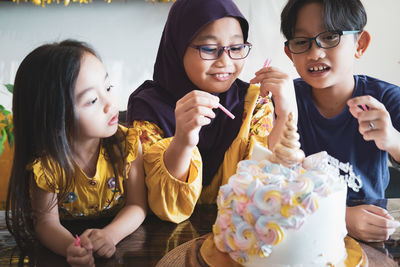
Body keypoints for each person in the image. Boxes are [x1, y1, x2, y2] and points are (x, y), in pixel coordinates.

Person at [127, 0, 296, 224]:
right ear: (177, 47)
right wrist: (183, 142)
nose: (225, 61)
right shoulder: (149, 108)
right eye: (209, 49)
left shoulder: (253, 103)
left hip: (241, 233)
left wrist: (285, 113)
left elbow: (270, 190)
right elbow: (160, 206)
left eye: (236, 48)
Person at [253, 0, 400, 242]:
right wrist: (340, 217)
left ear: (359, 44)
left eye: (331, 37)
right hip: (297, 234)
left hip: (371, 234)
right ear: (290, 52)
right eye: (302, 42)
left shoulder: (386, 98)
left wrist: (393, 140)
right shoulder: (282, 101)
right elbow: (266, 186)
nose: (315, 53)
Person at [6, 40, 147, 266]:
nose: (110, 104)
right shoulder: (46, 164)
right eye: (92, 100)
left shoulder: (127, 144)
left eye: (108, 87)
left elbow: (137, 206)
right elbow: (45, 223)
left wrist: (110, 235)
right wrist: (71, 247)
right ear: (55, 119)